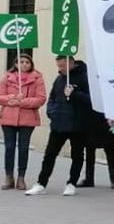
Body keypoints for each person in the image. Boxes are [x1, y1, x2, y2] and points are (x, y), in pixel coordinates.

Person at [25, 55, 92, 196]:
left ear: (71, 63)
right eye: (58, 66)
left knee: (77, 155)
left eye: (62, 66)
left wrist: (75, 94)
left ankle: (71, 183)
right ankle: (41, 183)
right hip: (59, 123)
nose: (60, 69)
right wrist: (52, 112)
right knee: (49, 154)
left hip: (78, 124)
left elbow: (92, 100)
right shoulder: (59, 79)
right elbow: (52, 97)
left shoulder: (85, 77)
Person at [1, 54, 46, 190]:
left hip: (28, 118)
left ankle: (21, 177)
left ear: (31, 64)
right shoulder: (7, 77)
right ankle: (9, 177)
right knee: (9, 147)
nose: (24, 64)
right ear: (16, 64)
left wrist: (23, 102)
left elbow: (41, 98)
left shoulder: (37, 78)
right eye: (21, 62)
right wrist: (13, 98)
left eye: (27, 62)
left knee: (23, 148)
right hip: (8, 117)